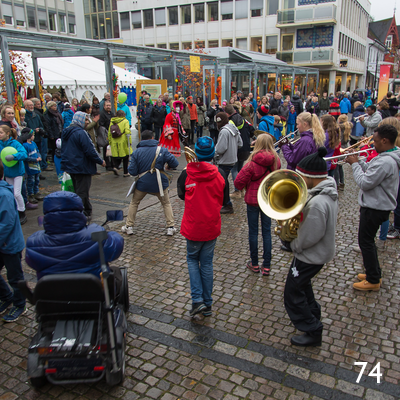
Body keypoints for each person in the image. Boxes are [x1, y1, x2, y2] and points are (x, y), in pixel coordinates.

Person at [283, 147, 338, 346]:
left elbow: (311, 235)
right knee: (303, 287)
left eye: (300, 176)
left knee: (292, 292)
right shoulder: (326, 192)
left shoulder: (318, 203)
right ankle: (313, 314)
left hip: (309, 255)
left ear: (310, 177)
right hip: (315, 254)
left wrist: (294, 244)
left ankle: (312, 330)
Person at [177, 137, 227, 317]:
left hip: (193, 226)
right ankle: (207, 304)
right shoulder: (220, 173)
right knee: (206, 263)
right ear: (213, 154)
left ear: (196, 153)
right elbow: (224, 199)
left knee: (192, 260)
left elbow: (181, 195)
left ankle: (197, 300)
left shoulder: (186, 173)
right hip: (211, 225)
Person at [347, 125, 400, 291]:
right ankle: (374, 272)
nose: (373, 144)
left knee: (365, 242)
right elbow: (372, 172)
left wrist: (355, 164)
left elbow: (365, 182)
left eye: (375, 141)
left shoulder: (385, 161)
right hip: (377, 205)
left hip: (374, 207)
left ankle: (373, 279)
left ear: (385, 141)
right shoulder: (387, 155)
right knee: (367, 241)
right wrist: (360, 161)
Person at [25, 191, 123, 279]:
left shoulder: (33, 243)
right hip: (92, 294)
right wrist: (111, 233)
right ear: (79, 211)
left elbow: (32, 263)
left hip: (52, 296)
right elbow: (116, 247)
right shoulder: (96, 234)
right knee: (117, 273)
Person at [234, 134, 281, 276]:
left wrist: (247, 184)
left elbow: (237, 183)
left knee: (253, 232)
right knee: (267, 232)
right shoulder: (276, 161)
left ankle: (254, 263)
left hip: (253, 200)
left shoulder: (251, 163)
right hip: (267, 200)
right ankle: (266, 266)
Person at [121, 130, 179, 236]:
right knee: (166, 203)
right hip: (159, 184)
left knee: (134, 203)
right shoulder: (162, 149)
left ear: (142, 139)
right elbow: (175, 163)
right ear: (153, 138)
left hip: (143, 184)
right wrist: (167, 166)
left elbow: (132, 171)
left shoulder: (136, 152)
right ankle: (170, 227)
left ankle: (129, 226)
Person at [61, 112, 106, 219]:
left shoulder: (66, 132)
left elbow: (64, 150)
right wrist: (100, 161)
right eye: (86, 120)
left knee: (79, 190)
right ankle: (78, 215)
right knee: (82, 192)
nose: (87, 122)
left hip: (72, 166)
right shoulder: (81, 133)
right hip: (82, 166)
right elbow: (90, 150)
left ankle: (87, 210)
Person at [0, 160, 26, 322]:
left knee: (15, 277)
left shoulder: (4, 195)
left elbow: (7, 222)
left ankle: (19, 303)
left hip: (10, 245)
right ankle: (6, 296)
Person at [215, 112, 243, 214]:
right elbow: (240, 143)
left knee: (222, 184)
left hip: (225, 160)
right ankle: (224, 203)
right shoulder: (233, 128)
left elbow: (221, 149)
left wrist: (214, 153)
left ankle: (227, 204)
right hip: (232, 159)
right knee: (223, 183)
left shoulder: (224, 131)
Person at [224, 104, 253, 199]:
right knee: (240, 170)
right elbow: (252, 129)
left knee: (234, 169)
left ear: (227, 113)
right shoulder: (243, 119)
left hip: (237, 148)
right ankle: (242, 189)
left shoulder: (230, 121)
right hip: (246, 147)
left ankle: (237, 190)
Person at [21, 129, 43, 204]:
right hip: (30, 168)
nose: (34, 136)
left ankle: (36, 192)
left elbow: (37, 151)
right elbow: (26, 157)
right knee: (31, 181)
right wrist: (35, 159)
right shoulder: (24, 145)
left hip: (36, 166)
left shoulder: (33, 143)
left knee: (37, 180)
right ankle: (31, 195)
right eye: (33, 135)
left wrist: (39, 157)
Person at [108, 110, 131, 177]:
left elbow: (109, 132)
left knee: (117, 156)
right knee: (125, 157)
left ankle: (116, 167)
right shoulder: (125, 121)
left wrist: (110, 141)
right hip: (123, 141)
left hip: (114, 141)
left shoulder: (112, 121)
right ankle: (125, 172)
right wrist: (129, 141)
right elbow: (127, 131)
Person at [336, 114, 353, 190]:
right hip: (345, 146)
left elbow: (339, 139)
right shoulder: (348, 127)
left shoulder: (339, 128)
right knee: (340, 167)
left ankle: (337, 183)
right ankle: (342, 182)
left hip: (340, 147)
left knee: (336, 166)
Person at [99, 100, 115, 171]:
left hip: (112, 133)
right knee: (106, 149)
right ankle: (108, 165)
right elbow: (101, 125)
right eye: (107, 105)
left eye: (109, 105)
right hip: (105, 133)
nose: (108, 107)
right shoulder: (102, 114)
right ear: (104, 106)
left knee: (112, 149)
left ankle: (113, 164)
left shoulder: (111, 113)